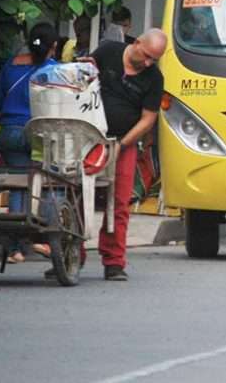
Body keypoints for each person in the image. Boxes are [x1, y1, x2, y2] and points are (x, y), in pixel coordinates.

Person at [89, 28, 167, 281]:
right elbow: (85, 76)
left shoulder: (154, 78)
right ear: (136, 43)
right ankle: (69, 254)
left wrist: (122, 145)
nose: (147, 63)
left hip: (124, 142)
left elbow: (148, 119)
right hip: (89, 138)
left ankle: (113, 261)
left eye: (153, 60)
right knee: (78, 194)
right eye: (145, 56)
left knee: (120, 202)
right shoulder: (107, 51)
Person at [0, 23, 59, 264]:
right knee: (45, 181)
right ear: (53, 47)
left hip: (10, 133)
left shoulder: (11, 65)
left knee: (17, 184)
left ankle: (14, 249)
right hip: (39, 133)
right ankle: (40, 238)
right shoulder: (54, 70)